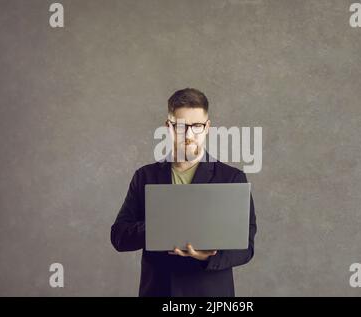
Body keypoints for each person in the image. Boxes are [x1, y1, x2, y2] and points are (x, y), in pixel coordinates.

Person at [110, 88, 257, 297]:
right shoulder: (145, 176)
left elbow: (246, 246)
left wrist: (207, 257)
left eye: (196, 126)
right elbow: (119, 237)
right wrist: (161, 227)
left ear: (207, 127)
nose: (188, 135)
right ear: (168, 127)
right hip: (158, 292)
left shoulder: (231, 178)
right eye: (180, 126)